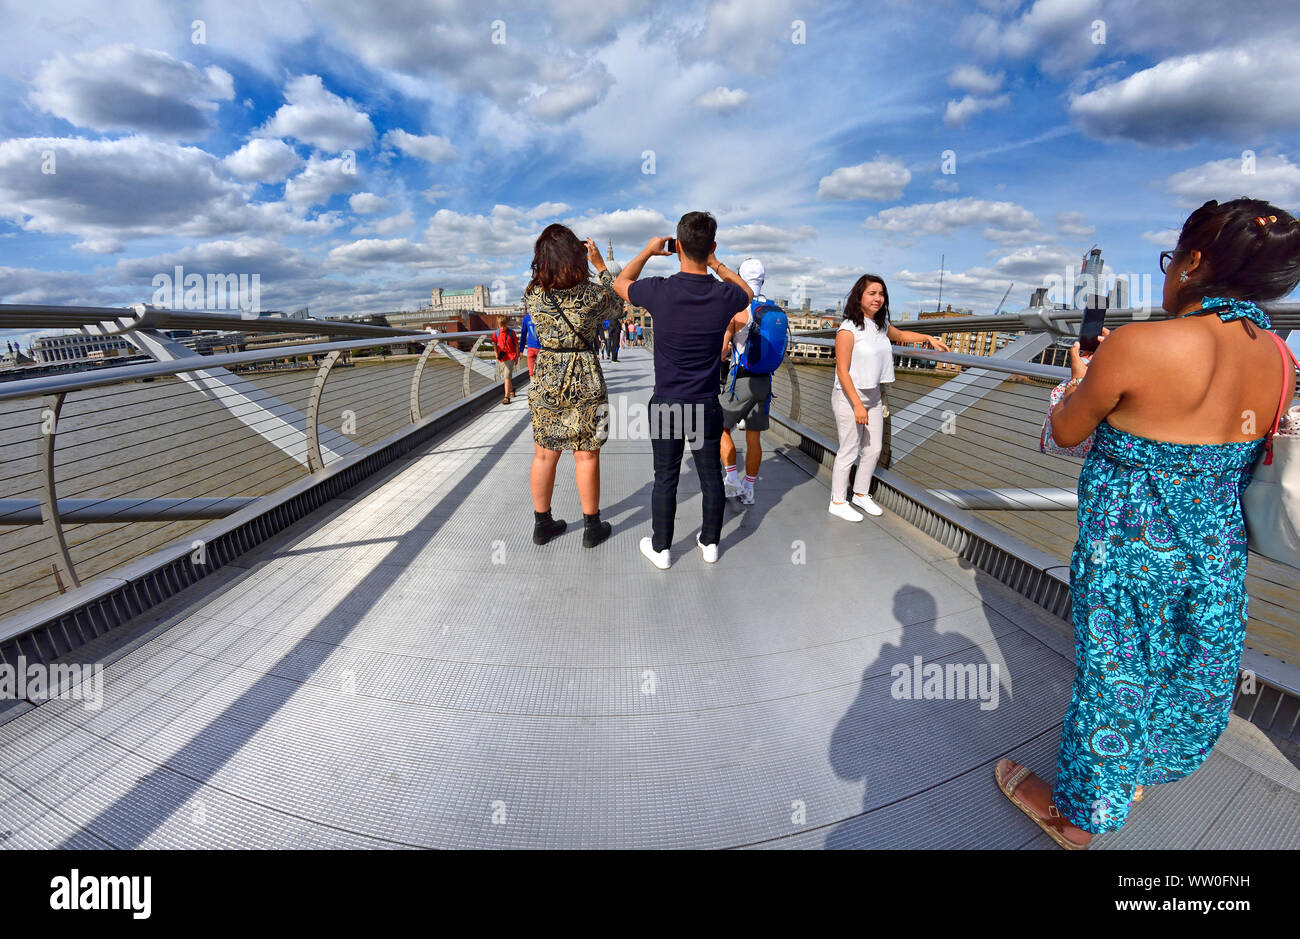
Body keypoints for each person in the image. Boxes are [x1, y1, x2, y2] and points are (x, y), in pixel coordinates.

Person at [995, 198, 1300, 849]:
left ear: (1193, 261)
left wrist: (1081, 381)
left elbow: (1067, 427)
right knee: (1187, 668)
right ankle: (1134, 770)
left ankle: (1076, 820)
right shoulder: (1281, 360)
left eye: (1170, 259)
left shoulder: (1136, 344)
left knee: (1117, 681)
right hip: (1217, 553)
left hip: (1132, 553)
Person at [614, 211, 753, 568]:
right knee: (711, 476)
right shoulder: (723, 295)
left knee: (666, 478)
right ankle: (710, 543)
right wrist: (716, 262)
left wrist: (647, 252)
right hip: (705, 403)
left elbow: (620, 283)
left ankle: (661, 548)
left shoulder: (660, 289)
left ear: (677, 248)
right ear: (712, 247)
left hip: (666, 403)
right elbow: (747, 292)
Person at [524, 224, 621, 549]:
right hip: (584, 376)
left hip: (547, 375)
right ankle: (591, 528)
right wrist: (602, 267)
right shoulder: (591, 295)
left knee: (543, 455)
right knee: (587, 455)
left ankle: (543, 524)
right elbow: (618, 306)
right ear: (577, 255)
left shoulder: (533, 294)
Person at [829, 275, 949, 522]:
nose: (878, 298)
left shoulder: (880, 325)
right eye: (872, 293)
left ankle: (861, 493)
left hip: (873, 395)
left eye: (881, 294)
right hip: (850, 397)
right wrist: (857, 405)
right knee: (849, 450)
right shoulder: (848, 329)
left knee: (873, 448)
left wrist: (927, 338)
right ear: (859, 296)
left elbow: (902, 335)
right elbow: (842, 371)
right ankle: (838, 501)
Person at [719, 257, 777, 506]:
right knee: (754, 438)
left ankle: (731, 477)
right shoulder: (774, 310)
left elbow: (721, 351)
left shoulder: (738, 310)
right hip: (765, 382)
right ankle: (749, 488)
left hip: (741, 379)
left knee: (718, 427)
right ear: (763, 280)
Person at [492, 315, 519, 404]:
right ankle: (511, 390)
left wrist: (517, 357)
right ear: (498, 325)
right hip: (501, 358)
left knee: (506, 377)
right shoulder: (496, 333)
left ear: (506, 324)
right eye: (501, 326)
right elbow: (494, 344)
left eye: (504, 325)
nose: (503, 328)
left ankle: (506, 397)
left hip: (510, 357)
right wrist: (496, 353)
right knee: (505, 376)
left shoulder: (512, 333)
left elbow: (516, 345)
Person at [520, 308, 541, 378]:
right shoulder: (527, 318)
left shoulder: (527, 318)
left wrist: (521, 350)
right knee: (532, 373)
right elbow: (523, 334)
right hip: (533, 349)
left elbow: (523, 335)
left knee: (538, 372)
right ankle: (534, 387)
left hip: (539, 349)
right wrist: (521, 350)